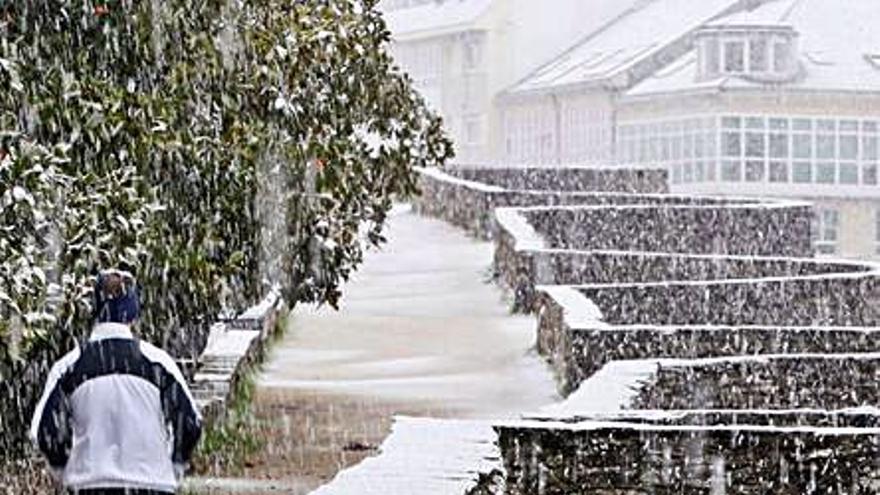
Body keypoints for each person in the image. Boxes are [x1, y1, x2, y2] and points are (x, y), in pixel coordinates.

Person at [30, 269, 202, 495]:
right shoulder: (158, 363)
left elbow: (45, 432)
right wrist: (176, 463)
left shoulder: (69, 367)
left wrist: (65, 468)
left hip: (90, 485)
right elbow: (190, 423)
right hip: (152, 485)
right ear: (133, 314)